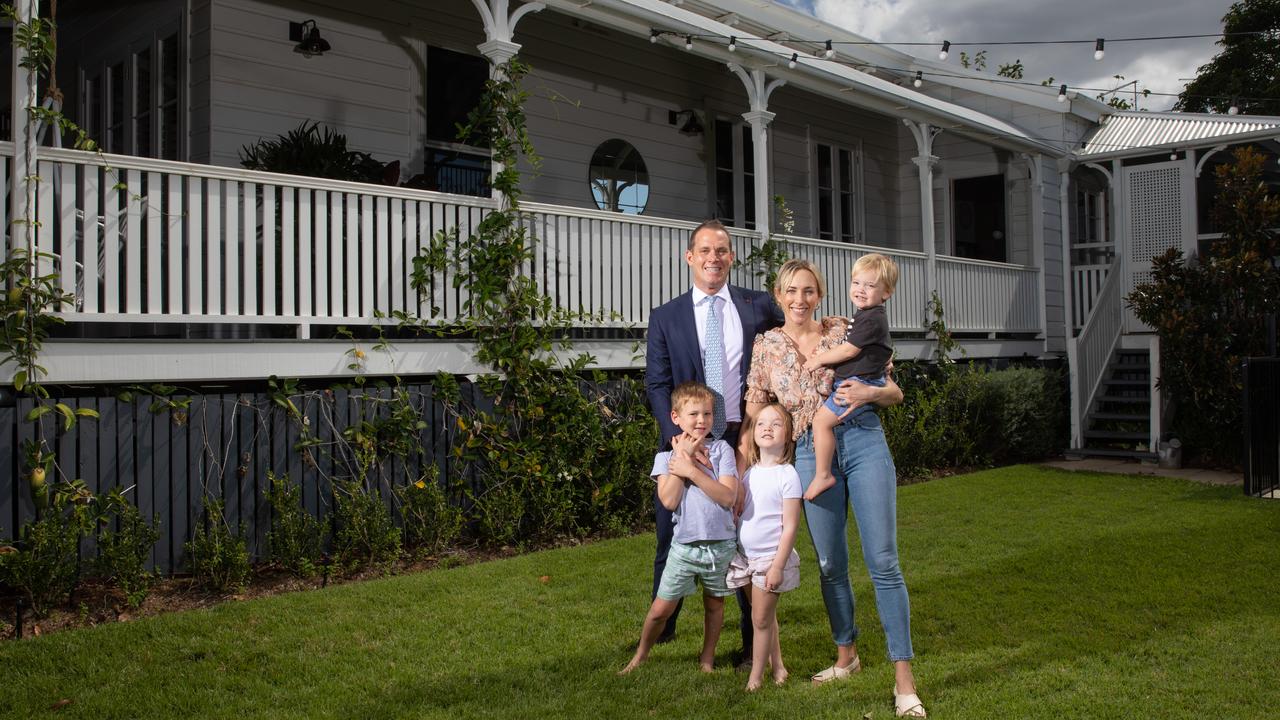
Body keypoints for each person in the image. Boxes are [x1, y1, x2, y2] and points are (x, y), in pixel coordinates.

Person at [744, 259, 927, 718]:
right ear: (779, 296)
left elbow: (894, 391)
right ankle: (847, 656)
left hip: (863, 439)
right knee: (830, 564)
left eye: (809, 290)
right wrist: (747, 453)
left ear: (820, 295)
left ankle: (904, 681)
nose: (800, 299)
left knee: (883, 561)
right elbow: (756, 407)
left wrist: (869, 394)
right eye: (791, 291)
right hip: (808, 450)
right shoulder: (765, 346)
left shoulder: (844, 329)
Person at [645, 219, 784, 658]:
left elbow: (795, 333)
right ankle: (663, 631)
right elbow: (656, 383)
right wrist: (679, 442)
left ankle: (750, 639)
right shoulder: (666, 317)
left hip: (740, 437)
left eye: (721, 250)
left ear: (732, 257)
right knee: (671, 531)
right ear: (690, 257)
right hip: (687, 436)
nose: (713, 258)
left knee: (745, 536)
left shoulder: (758, 305)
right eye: (704, 250)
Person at [620, 382, 739, 675]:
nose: (701, 421)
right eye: (694, 414)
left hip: (719, 545)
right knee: (661, 609)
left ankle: (707, 659)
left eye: (708, 414)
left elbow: (727, 496)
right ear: (676, 417)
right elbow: (670, 500)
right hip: (684, 547)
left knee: (715, 605)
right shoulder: (665, 457)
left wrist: (692, 472)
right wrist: (683, 461)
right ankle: (640, 656)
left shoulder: (722, 450)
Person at [802, 253, 898, 501]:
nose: (861, 289)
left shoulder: (871, 318)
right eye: (857, 283)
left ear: (886, 293)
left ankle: (823, 475)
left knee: (821, 422)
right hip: (865, 380)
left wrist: (819, 359)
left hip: (863, 384)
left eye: (870, 285)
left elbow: (849, 349)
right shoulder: (866, 316)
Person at [725, 402, 802, 692]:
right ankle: (778, 667)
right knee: (765, 616)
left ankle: (756, 678)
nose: (767, 428)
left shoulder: (788, 475)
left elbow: (791, 526)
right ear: (753, 433)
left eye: (776, 424)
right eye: (761, 423)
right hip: (745, 557)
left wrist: (779, 565)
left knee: (759, 618)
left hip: (770, 559)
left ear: (788, 435)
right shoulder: (748, 474)